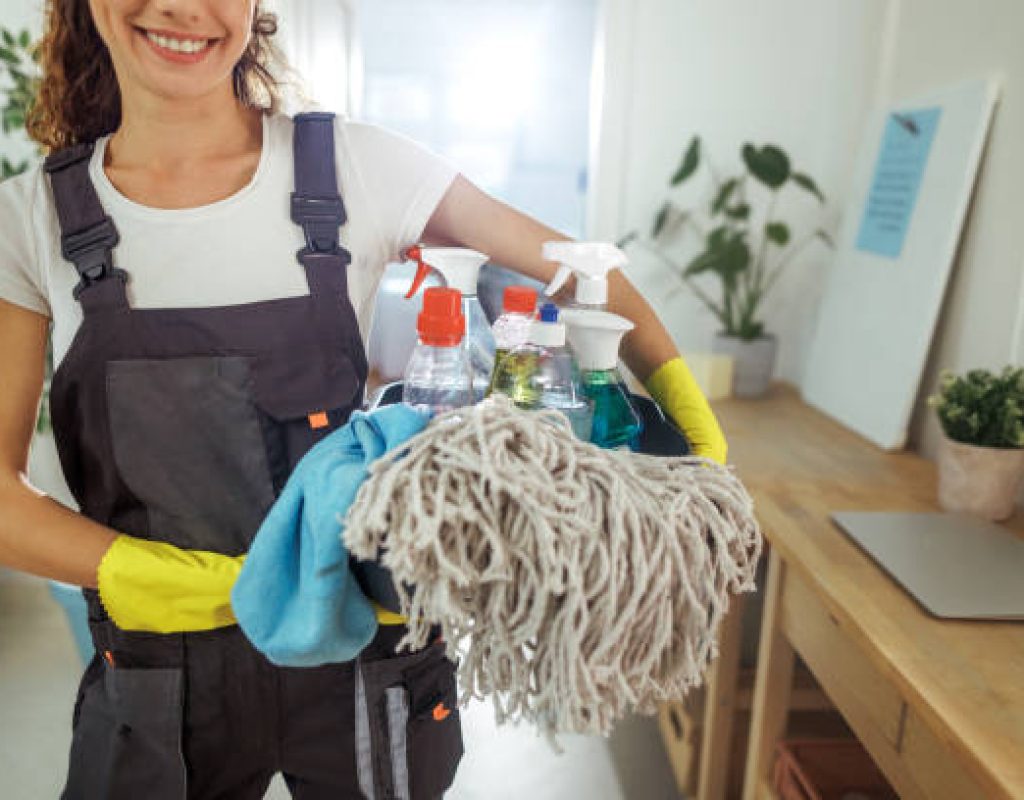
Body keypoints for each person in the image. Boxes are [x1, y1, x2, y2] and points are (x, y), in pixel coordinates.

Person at [0, 1, 728, 798]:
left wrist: (688, 421)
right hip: (162, 670)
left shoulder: (355, 167)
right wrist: (143, 574)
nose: (183, 6)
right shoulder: (31, 219)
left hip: (363, 653)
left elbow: (584, 273)